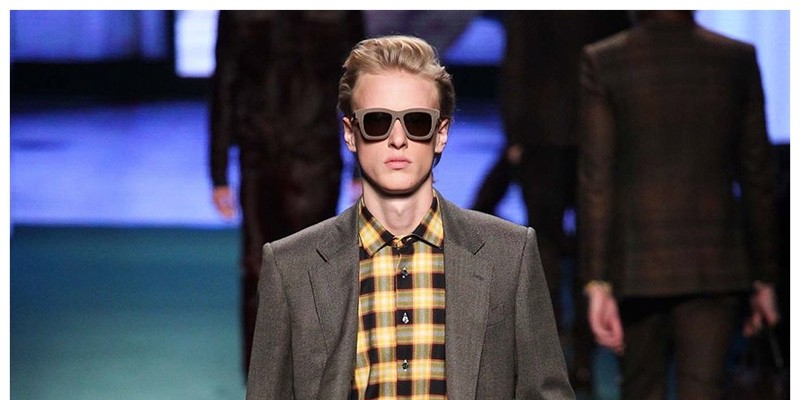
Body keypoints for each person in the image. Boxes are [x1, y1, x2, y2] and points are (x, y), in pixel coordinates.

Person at [246, 35, 574, 400]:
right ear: (351, 134)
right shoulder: (291, 267)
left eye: (417, 122)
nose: (398, 139)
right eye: (377, 122)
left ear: (441, 134)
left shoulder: (509, 255)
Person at [578, 11, 780, 400]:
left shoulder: (606, 60)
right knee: (703, 391)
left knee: (642, 391)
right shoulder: (735, 59)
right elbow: (757, 177)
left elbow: (596, 180)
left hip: (637, 264)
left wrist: (597, 281)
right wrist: (764, 276)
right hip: (716, 262)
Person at [471, 10, 631, 392]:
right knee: (590, 249)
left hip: (541, 132)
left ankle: (553, 353)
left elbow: (517, 61)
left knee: (544, 247)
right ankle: (582, 358)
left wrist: (515, 133)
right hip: (592, 133)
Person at [208, 10, 364, 374]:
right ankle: (269, 380)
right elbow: (225, 81)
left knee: (300, 269)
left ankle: (304, 378)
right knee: (267, 269)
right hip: (273, 155)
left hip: (306, 155)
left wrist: (362, 163)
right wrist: (218, 170)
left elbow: (360, 83)